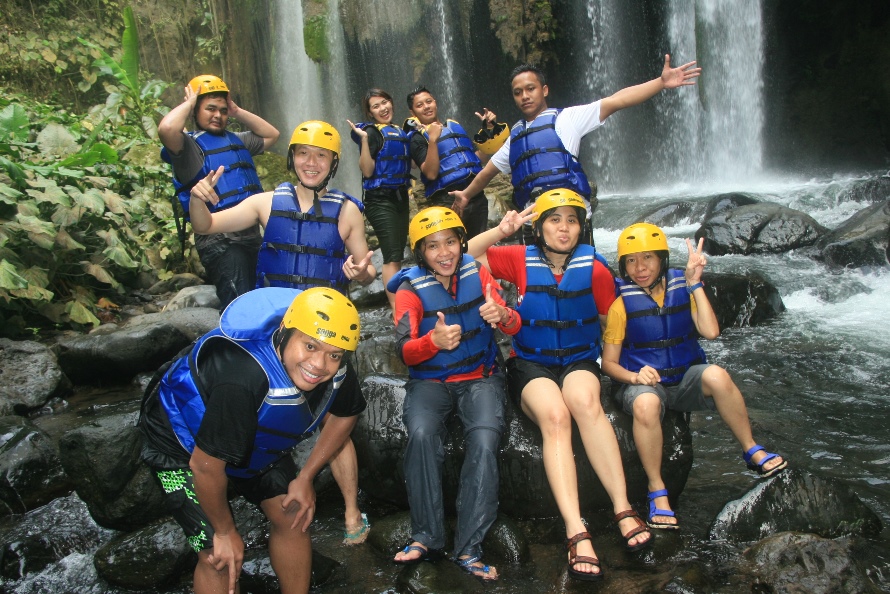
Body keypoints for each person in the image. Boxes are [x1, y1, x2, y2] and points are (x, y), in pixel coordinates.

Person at [189, 119, 375, 546]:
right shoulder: (265, 202)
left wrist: (360, 272)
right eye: (303, 154)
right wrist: (199, 199)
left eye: (321, 156)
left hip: (323, 334)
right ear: (292, 159)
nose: (311, 163)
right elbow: (206, 226)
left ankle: (350, 508)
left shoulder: (347, 211)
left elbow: (364, 270)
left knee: (336, 416)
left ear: (332, 163)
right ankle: (248, 477)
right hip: (274, 332)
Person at [467, 189, 652, 581]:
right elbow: (465, 255)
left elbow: (610, 321)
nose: (563, 228)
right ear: (539, 226)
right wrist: (502, 230)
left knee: (585, 402)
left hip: (579, 359)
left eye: (571, 220)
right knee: (555, 417)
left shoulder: (595, 267)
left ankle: (623, 507)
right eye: (554, 219)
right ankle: (575, 528)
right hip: (530, 363)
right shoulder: (517, 257)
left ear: (581, 227)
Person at [139, 287, 365, 594]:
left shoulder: (336, 365)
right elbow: (205, 467)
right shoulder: (243, 377)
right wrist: (225, 531)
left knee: (293, 515)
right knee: (218, 555)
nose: (319, 364)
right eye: (309, 346)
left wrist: (306, 477)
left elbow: (345, 415)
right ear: (285, 332)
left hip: (251, 439)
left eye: (333, 355)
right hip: (182, 443)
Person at [601, 223, 788, 529]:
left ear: (662, 260)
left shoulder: (683, 288)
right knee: (646, 405)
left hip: (683, 378)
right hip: (644, 386)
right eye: (631, 261)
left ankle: (751, 449)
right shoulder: (622, 304)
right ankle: (656, 488)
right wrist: (634, 377)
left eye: (647, 258)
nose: (640, 267)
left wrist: (695, 283)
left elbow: (711, 332)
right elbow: (608, 364)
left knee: (717, 375)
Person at [387, 207, 520, 580]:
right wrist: (432, 341)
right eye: (433, 246)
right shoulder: (411, 291)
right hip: (430, 383)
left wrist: (503, 316)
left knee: (483, 440)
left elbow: (513, 321)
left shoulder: (479, 273)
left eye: (450, 242)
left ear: (462, 243)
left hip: (481, 378)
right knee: (422, 434)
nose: (444, 252)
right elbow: (403, 350)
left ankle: (469, 548)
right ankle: (426, 536)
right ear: (420, 252)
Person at [450, 55, 701, 241]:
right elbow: (486, 173)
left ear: (544, 90)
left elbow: (617, 101)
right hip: (534, 222)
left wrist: (660, 82)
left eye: (530, 88)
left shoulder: (567, 118)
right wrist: (466, 195)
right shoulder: (515, 136)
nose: (525, 96)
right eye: (518, 92)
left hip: (571, 217)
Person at [158, 74, 280, 309]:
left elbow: (271, 134)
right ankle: (233, 344)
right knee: (240, 305)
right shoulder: (188, 148)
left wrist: (237, 111)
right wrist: (189, 103)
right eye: (210, 109)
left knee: (264, 304)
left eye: (223, 111)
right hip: (219, 239)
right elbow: (166, 128)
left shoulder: (237, 140)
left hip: (252, 236)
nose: (218, 115)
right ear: (195, 111)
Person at [404, 87, 504, 239]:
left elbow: (478, 159)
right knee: (456, 248)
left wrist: (489, 130)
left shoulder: (453, 127)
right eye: (420, 105)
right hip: (447, 199)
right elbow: (430, 173)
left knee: (480, 246)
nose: (426, 107)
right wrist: (432, 140)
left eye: (428, 101)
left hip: (474, 194)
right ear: (413, 112)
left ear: (435, 103)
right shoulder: (417, 138)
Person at [347, 89, 413, 311]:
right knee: (392, 255)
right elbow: (367, 170)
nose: (382, 108)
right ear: (369, 113)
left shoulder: (400, 131)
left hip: (400, 197)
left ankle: (401, 301)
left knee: (398, 251)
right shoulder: (373, 133)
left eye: (385, 102)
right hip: (379, 200)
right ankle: (397, 310)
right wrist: (364, 141)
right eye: (376, 106)